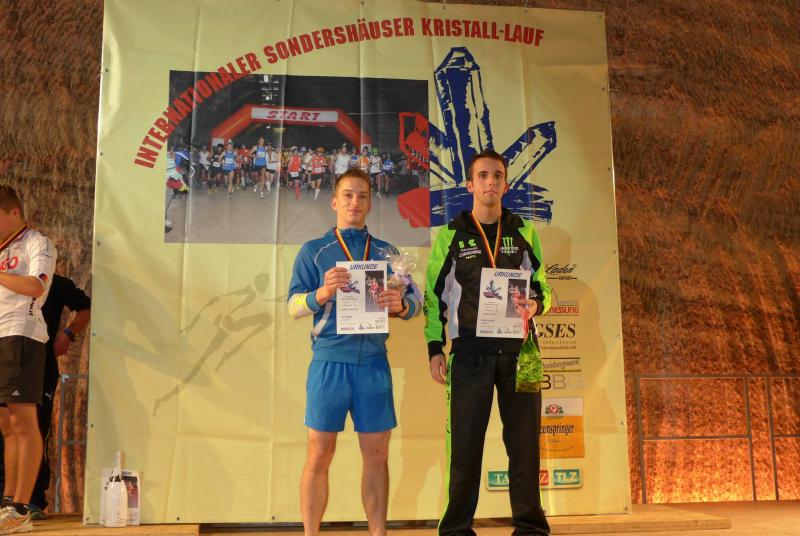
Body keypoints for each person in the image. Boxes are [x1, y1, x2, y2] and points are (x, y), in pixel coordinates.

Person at [424, 150, 551, 536]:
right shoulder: (450, 235)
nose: (490, 182)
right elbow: (434, 297)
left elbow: (543, 287)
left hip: (521, 353)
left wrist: (536, 305)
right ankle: (456, 529)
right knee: (464, 447)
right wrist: (434, 348)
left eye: (497, 175)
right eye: (482, 175)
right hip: (469, 354)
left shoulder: (525, 231)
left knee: (525, 446)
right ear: (470, 184)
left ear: (506, 184)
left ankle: (531, 528)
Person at [288, 168, 421, 536]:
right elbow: (293, 306)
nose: (355, 202)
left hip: (373, 365)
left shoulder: (387, 254)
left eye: (362, 195)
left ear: (370, 204)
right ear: (334, 201)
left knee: (377, 458)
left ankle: (378, 534)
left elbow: (415, 304)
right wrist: (322, 293)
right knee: (319, 454)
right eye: (347, 195)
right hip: (329, 363)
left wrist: (399, 305)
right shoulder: (314, 251)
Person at [0, 185, 56, 533]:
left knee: (24, 421)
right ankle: (8, 502)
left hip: (21, 333)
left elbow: (37, 286)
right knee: (6, 425)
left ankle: (22, 506)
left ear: (14, 212)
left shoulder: (37, 242)